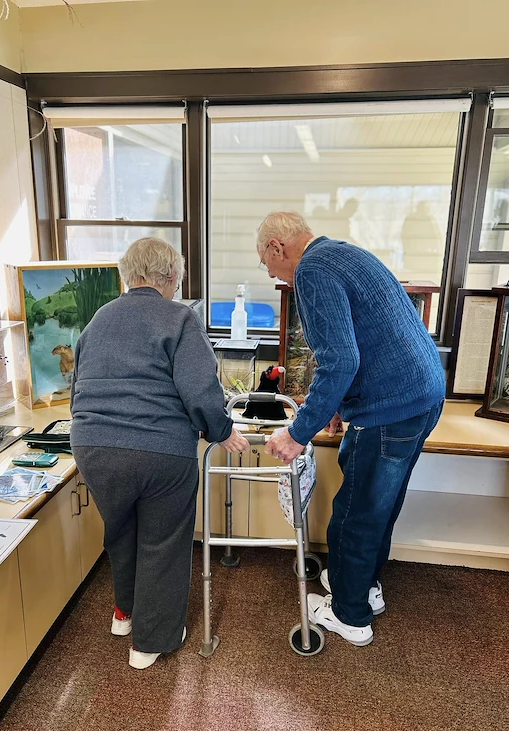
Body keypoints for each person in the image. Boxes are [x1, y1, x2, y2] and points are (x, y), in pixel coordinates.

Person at [257, 212, 445, 647]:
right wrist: (341, 406)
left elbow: (340, 361)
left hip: (392, 406)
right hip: (423, 395)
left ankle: (350, 614)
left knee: (355, 513)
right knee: (380, 506)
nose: (271, 273)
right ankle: (366, 590)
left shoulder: (312, 270)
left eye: (267, 264)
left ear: (277, 247)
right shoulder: (344, 254)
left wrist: (297, 432)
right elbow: (363, 341)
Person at [71, 237, 249, 669]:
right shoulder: (179, 317)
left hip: (93, 447)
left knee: (121, 530)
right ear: (171, 278)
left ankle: (125, 612)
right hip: (160, 449)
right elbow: (200, 388)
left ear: (127, 276)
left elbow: (79, 382)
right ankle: (149, 642)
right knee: (163, 541)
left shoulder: (99, 318)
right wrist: (222, 430)